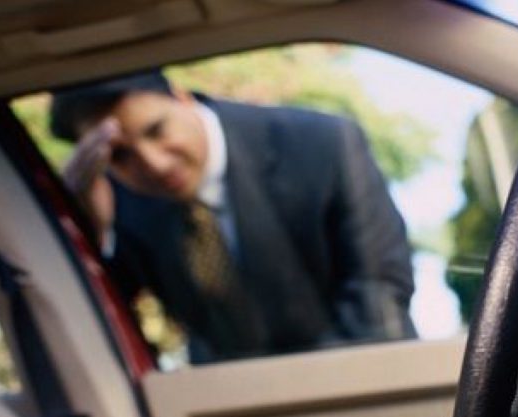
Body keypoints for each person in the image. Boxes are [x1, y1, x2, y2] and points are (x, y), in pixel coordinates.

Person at [51, 71, 416, 363]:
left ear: (182, 97)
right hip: (224, 416)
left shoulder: (321, 143)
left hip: (362, 385)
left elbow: (377, 295)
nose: (154, 164)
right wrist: (92, 229)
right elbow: (102, 330)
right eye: (119, 156)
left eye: (156, 130)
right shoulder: (118, 201)